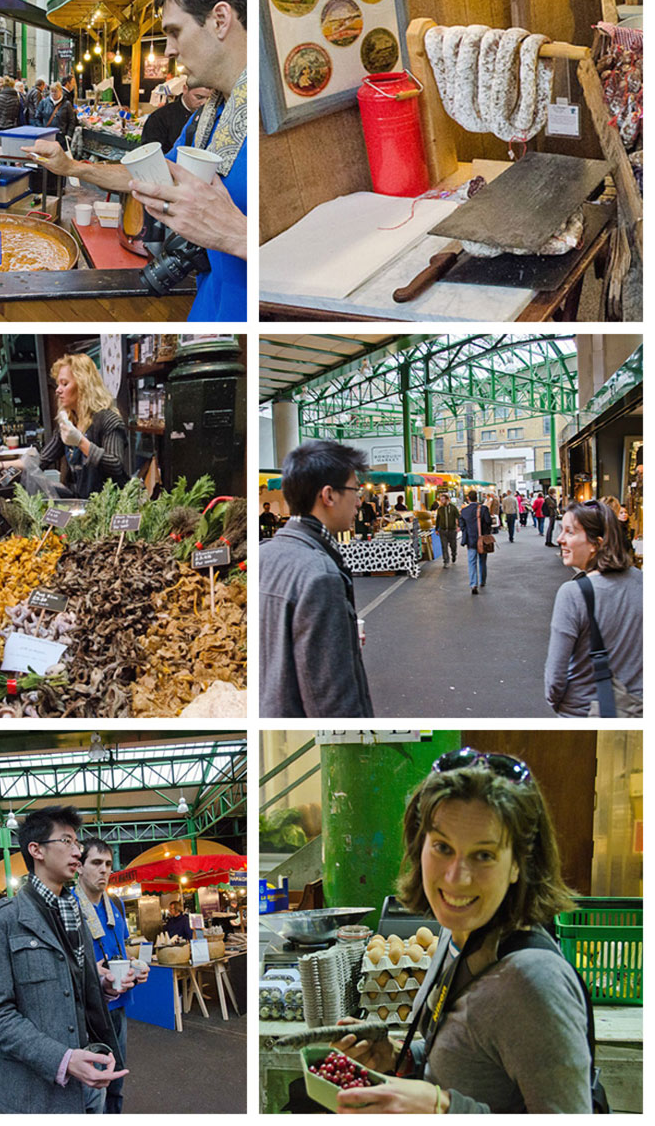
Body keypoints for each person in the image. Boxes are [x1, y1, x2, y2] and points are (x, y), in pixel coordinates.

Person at [334, 748, 592, 1112]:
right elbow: (469, 1059)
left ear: (518, 864)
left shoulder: (532, 983)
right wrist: (399, 1057)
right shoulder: (458, 934)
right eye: (442, 847)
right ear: (418, 844)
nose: (457, 878)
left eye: (484, 855)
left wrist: (442, 1108)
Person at [24, 0, 248, 320]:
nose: (170, 51)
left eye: (175, 32)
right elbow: (151, 175)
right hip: (210, 307)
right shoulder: (210, 115)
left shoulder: (268, 118)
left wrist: (236, 235)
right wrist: (72, 167)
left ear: (220, 19)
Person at [0, 806, 129, 1113]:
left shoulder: (75, 914)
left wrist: (99, 983)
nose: (77, 852)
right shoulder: (0, 922)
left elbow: (68, 983)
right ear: (36, 850)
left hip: (89, 1076)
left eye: (77, 844)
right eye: (67, 842)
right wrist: (64, 1059)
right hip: (37, 1093)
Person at [259, 440, 374, 716]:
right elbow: (332, 702)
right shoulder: (320, 576)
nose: (359, 501)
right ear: (328, 495)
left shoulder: (264, 555)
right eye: (355, 490)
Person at [544, 499, 642, 716]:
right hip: (636, 708)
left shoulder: (573, 594)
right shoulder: (642, 582)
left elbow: (555, 679)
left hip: (583, 710)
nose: (560, 539)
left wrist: (559, 704)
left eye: (570, 532)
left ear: (596, 544)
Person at [76, 836, 149, 1113]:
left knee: (117, 1076)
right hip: (87, 1009)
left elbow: (122, 949)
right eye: (96, 863)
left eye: (108, 863)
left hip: (118, 1006)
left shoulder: (115, 905)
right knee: (93, 1085)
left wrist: (136, 966)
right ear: (79, 867)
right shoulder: (68, 906)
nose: (104, 870)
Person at [2, 354, 127, 499]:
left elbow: (115, 465)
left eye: (64, 384)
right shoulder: (69, 422)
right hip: (84, 503)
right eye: (58, 384)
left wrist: (81, 442)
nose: (58, 390)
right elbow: (40, 460)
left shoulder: (108, 420)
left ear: (83, 385)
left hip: (111, 505)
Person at [141, 83, 212, 155]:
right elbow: (150, 152)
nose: (204, 103)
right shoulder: (160, 117)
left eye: (210, 99)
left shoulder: (214, 116)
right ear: (185, 89)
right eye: (199, 97)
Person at [460, 491, 492, 595]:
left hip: (471, 540)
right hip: (482, 540)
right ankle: (483, 581)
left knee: (471, 562)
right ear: (477, 498)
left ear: (468, 498)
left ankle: (473, 584)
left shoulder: (464, 511)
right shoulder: (484, 509)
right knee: (482, 561)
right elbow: (489, 522)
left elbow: (462, 525)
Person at [36, 80, 77, 150]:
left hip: (61, 137)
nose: (53, 93)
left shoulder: (67, 104)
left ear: (61, 91)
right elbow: (37, 117)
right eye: (52, 91)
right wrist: (42, 130)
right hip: (47, 136)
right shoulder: (44, 102)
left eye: (56, 91)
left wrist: (69, 134)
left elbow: (72, 120)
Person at [434, 491, 460, 568]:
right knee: (444, 546)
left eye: (443, 500)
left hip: (452, 530)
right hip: (443, 531)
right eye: (441, 500)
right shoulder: (440, 509)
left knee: (453, 546)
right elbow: (438, 519)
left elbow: (458, 517)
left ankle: (454, 554)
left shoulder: (453, 508)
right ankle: (446, 561)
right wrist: (436, 529)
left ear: (447, 499)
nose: (442, 501)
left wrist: (459, 526)